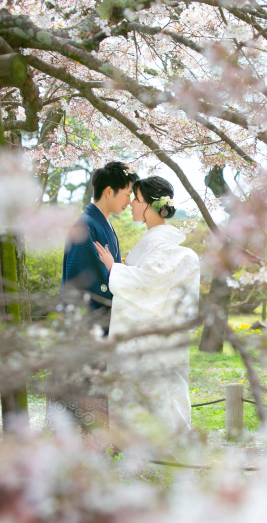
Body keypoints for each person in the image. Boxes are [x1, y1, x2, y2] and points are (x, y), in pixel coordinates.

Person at [94, 176, 200, 446]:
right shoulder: (156, 245)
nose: (130, 204)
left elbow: (150, 285)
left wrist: (113, 268)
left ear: (152, 206)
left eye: (137, 200)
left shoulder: (161, 247)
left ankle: (155, 450)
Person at [48, 161, 138, 431]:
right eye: (127, 194)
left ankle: (90, 444)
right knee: (84, 388)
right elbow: (86, 283)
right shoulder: (86, 226)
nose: (129, 200)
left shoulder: (101, 224)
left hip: (98, 322)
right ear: (109, 192)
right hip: (87, 323)